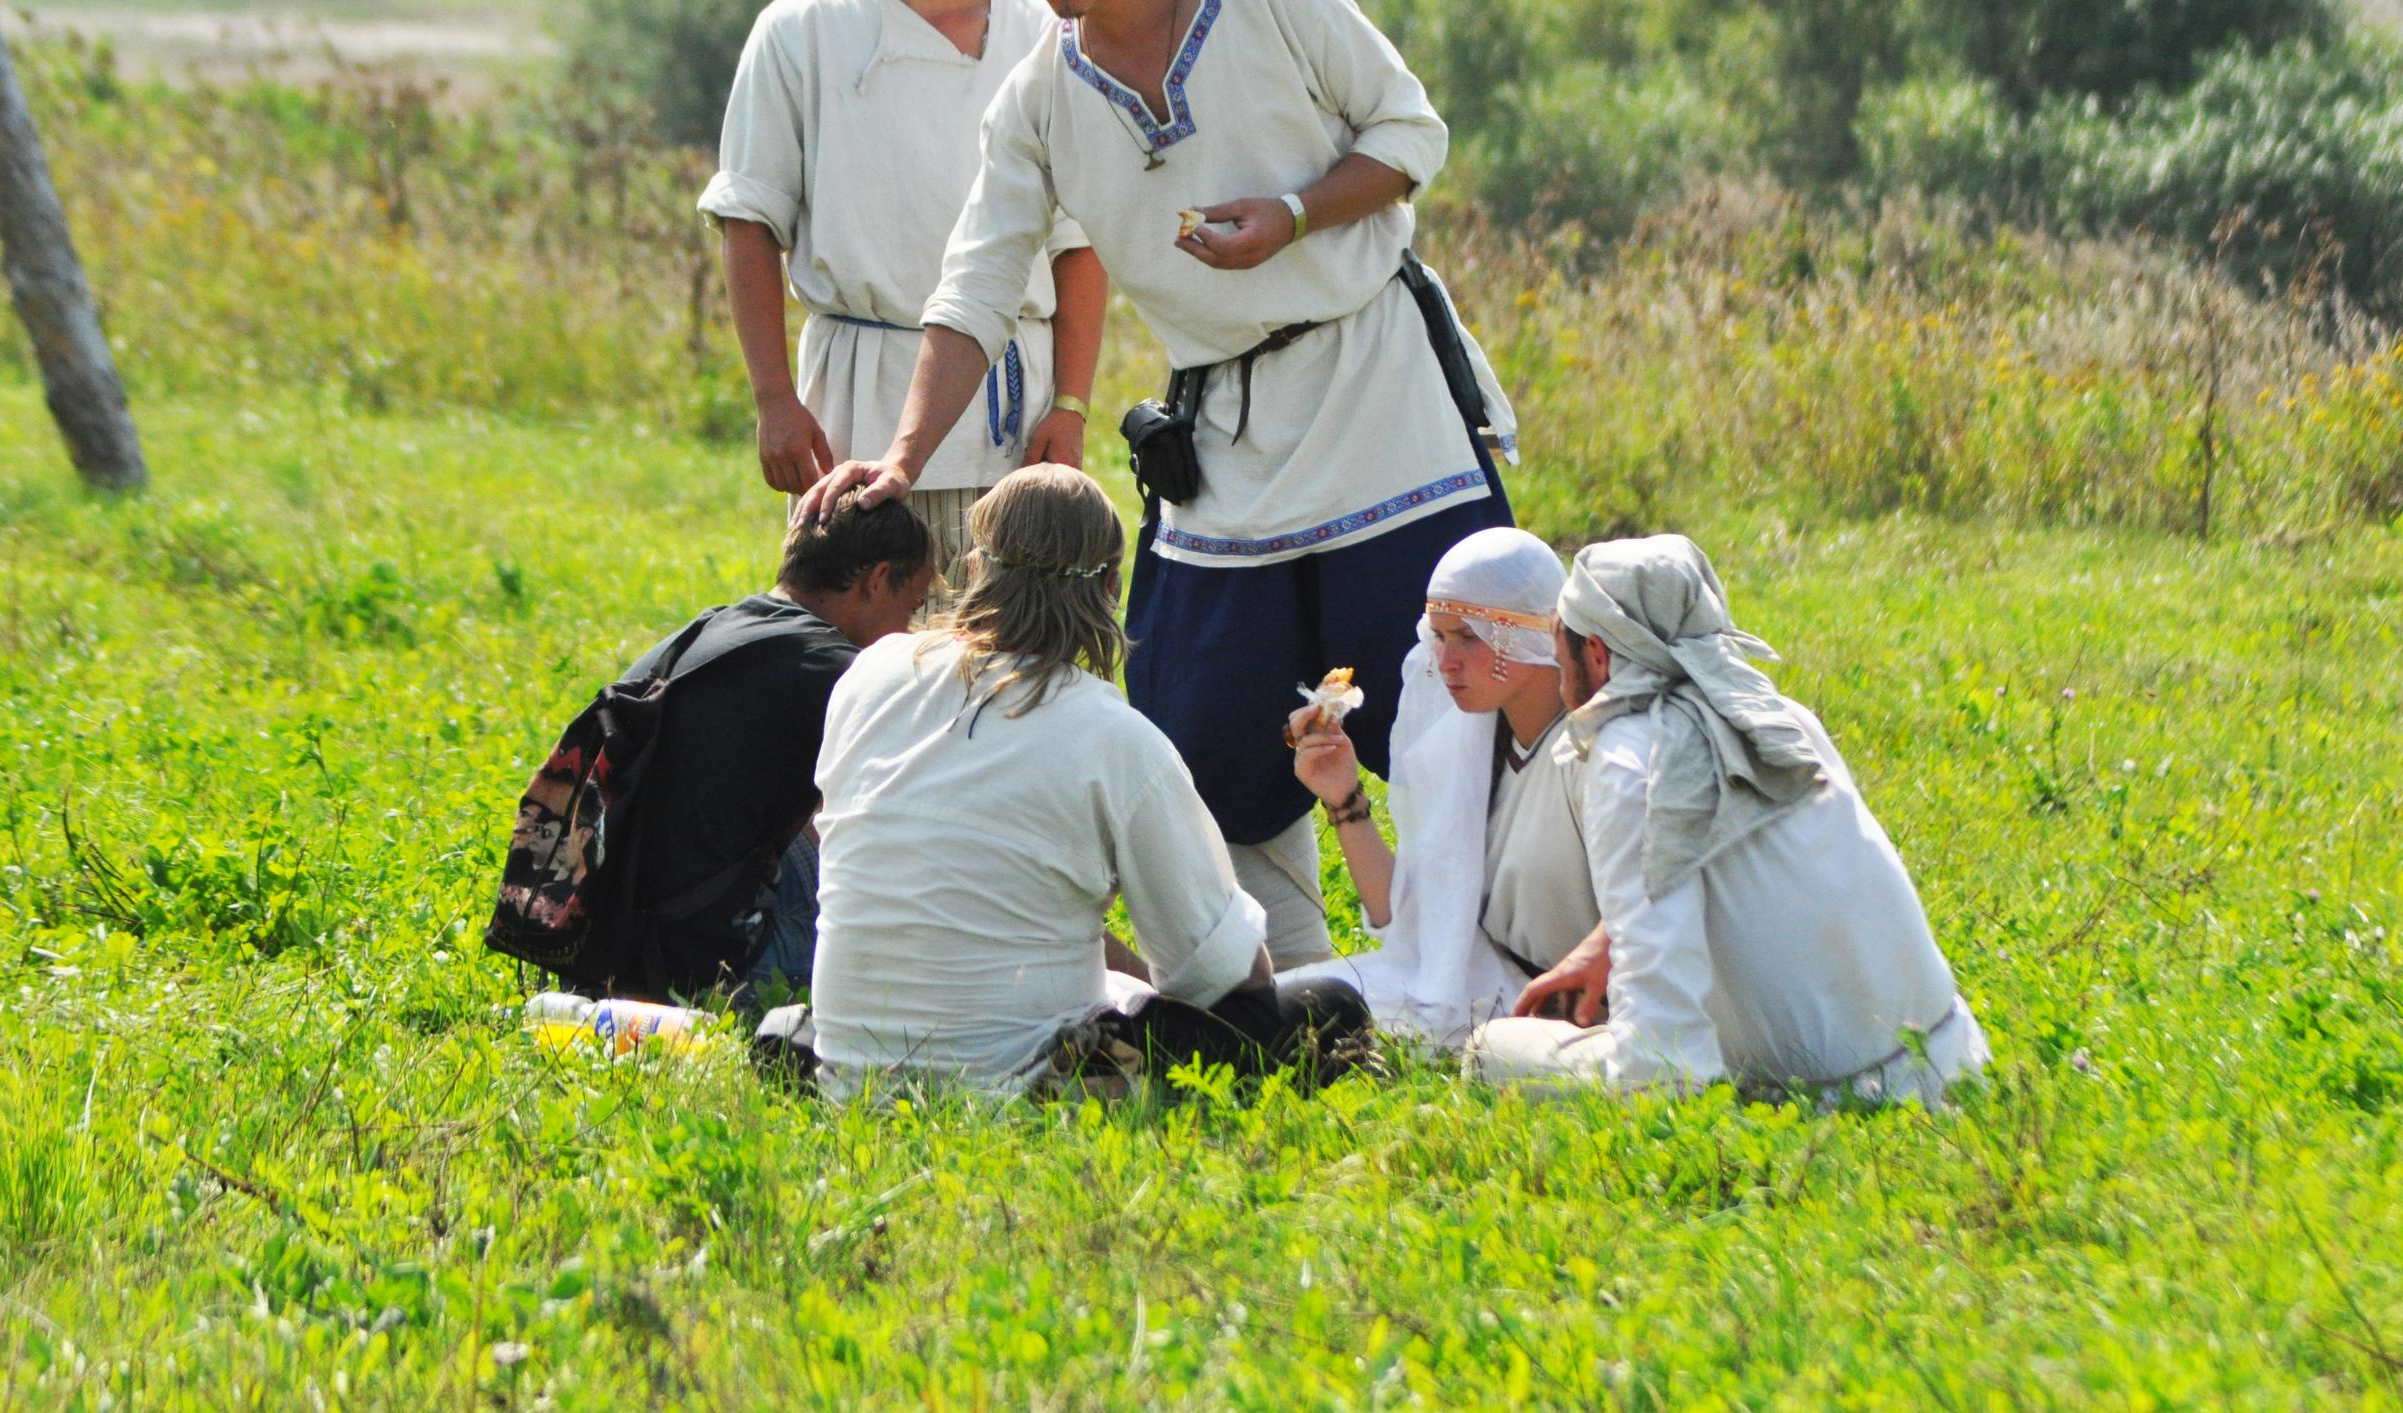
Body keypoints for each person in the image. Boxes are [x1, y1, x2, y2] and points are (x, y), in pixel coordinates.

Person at [797, 0, 1521, 966]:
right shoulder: (1037, 95)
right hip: (1224, 437)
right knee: (1199, 721)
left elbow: (1409, 135)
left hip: (1379, 398)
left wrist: (1290, 217)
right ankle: (1283, 978)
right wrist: (904, 456)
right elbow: (975, 287)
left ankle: (1485, 957)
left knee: (1452, 695)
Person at [769, 463, 1369, 1101]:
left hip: (854, 1076)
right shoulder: (1113, 735)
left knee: (786, 1025)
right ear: (1110, 589)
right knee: (1324, 1006)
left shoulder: (868, 676)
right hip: (1028, 1085)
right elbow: (1220, 978)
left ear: (975, 569)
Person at [699, 0, 1109, 593]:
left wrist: (1069, 406)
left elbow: (1079, 243)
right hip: (857, 404)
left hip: (1013, 410)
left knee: (1010, 672)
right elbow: (750, 225)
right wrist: (774, 398)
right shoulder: (802, 31)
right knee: (860, 668)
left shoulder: (1044, 32)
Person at [1465, 535, 1990, 1107]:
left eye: (1558, 644)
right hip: (1951, 1061)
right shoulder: (1780, 716)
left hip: (1828, 1097)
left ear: (1595, 653)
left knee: (1487, 1050)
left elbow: (1666, 1063)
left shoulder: (1627, 757)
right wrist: (1607, 941)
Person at [528, 493, 934, 1006]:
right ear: (876, 580)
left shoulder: (712, 630)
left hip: (600, 942)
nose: (910, 630)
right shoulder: (837, 672)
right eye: (913, 606)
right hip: (706, 970)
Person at [1281, 528, 1604, 1046]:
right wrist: (1343, 796)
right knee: (1281, 998)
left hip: (1568, 1014)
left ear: (1525, 634)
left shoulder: (1595, 750)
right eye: (1439, 636)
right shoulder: (1470, 738)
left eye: (1468, 638)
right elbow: (1409, 923)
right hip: (1474, 981)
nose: (1445, 661)